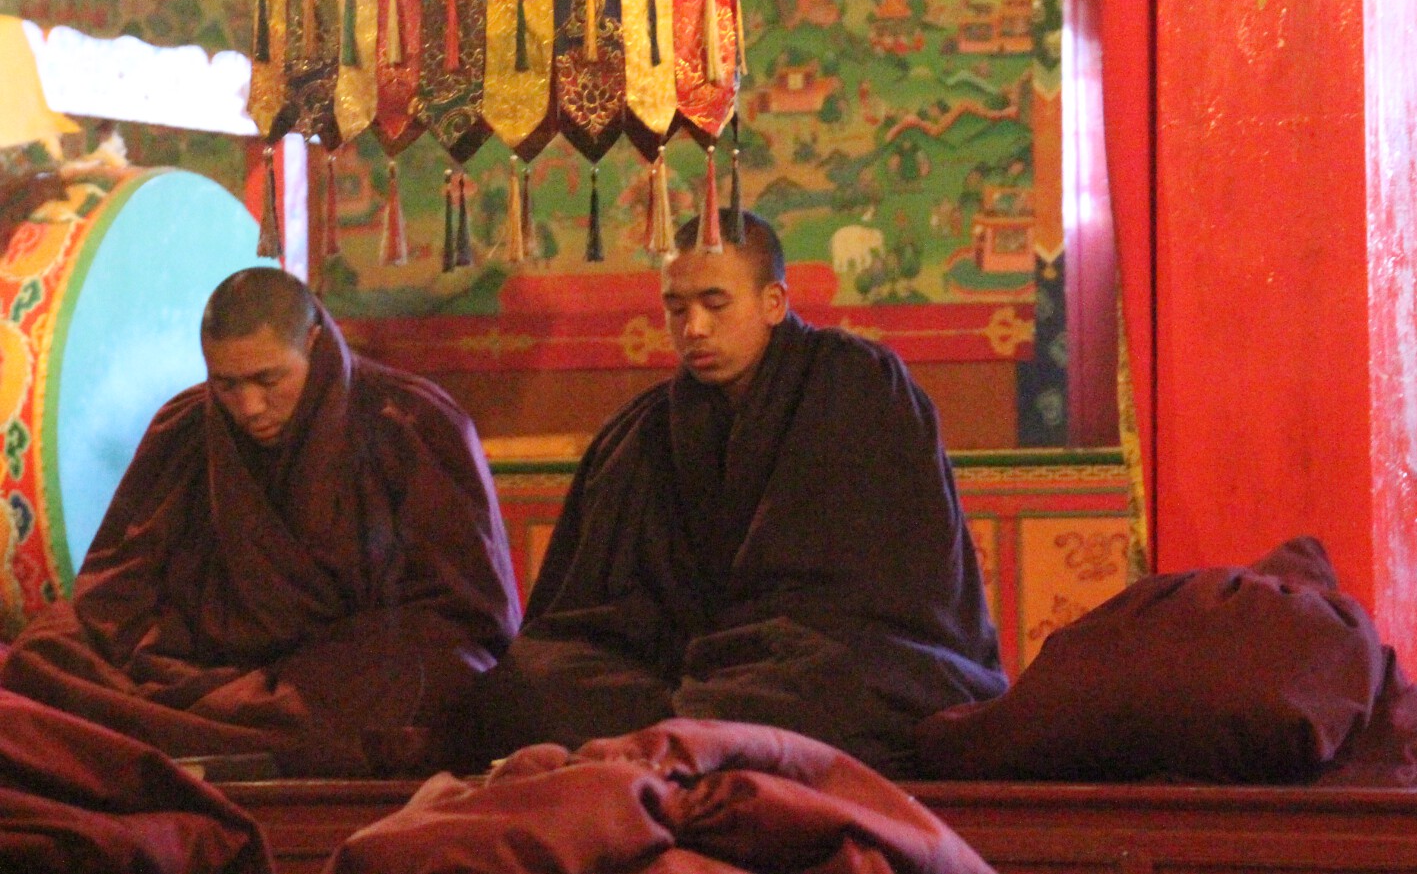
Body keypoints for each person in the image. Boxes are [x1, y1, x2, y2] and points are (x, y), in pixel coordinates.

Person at [472, 211, 1005, 774]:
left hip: (824, 657)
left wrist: (729, 667)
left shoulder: (856, 384)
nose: (694, 327)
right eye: (677, 309)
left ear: (774, 303)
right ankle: (681, 732)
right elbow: (590, 617)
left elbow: (866, 600)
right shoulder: (645, 428)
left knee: (825, 689)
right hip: (683, 675)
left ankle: (675, 734)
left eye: (715, 304)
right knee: (520, 692)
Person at [0, 268, 520, 776]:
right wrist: (165, 649)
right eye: (225, 384)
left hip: (342, 672)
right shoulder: (185, 427)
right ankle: (234, 727)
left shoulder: (410, 420)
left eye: (268, 380)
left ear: (314, 343)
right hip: (207, 661)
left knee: (427, 679)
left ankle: (199, 731)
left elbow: (466, 611)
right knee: (46, 653)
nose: (249, 407)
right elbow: (117, 587)